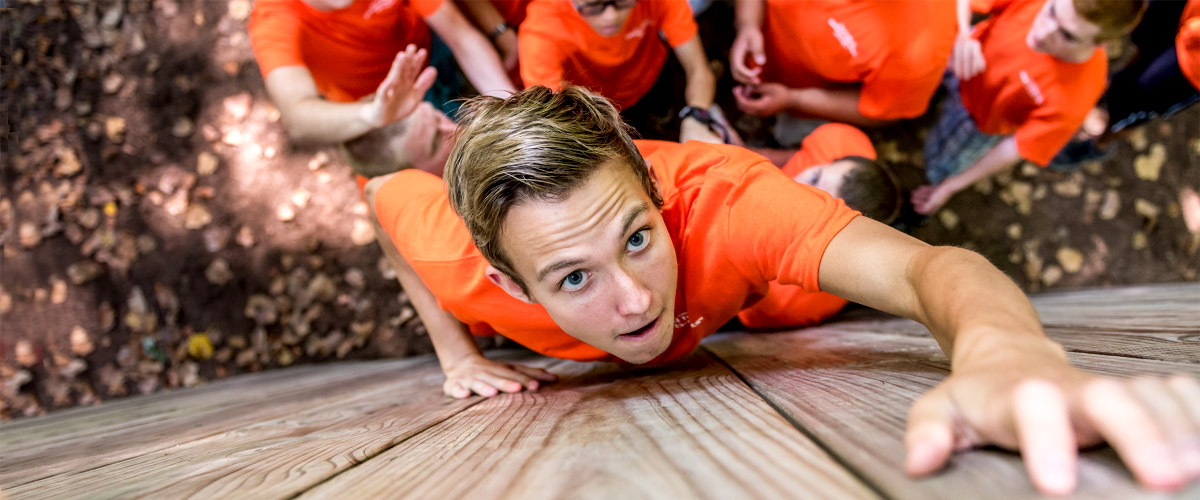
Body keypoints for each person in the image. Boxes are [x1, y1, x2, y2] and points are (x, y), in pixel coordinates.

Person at [367, 85, 1199, 496]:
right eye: (574, 277)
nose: (632, 303)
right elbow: (379, 197)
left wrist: (1008, 355)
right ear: (508, 278)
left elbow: (926, 267)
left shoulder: (732, 205)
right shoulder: (451, 255)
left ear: (659, 198)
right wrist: (454, 352)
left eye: (637, 239)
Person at [912, 0, 1149, 215]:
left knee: (938, 166)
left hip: (978, 123)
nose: (1043, 32)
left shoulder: (1078, 96)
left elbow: (1015, 148)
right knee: (916, 81)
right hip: (960, 56)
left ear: (1101, 43)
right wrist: (963, 35)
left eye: (1067, 36)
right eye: (1052, 12)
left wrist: (949, 187)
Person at [248, 0, 516, 146]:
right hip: (381, 105)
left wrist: (514, 111)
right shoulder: (275, 18)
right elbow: (298, 117)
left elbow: (459, 35)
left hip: (428, 48)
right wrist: (373, 114)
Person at [517, 0, 724, 144]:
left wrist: (696, 117)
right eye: (593, 5)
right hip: (593, 112)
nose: (611, 16)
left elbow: (699, 69)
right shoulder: (541, 29)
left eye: (623, 1)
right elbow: (552, 117)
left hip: (653, 81)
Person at [729, 0, 956, 127]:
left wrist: (793, 100)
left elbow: (879, 108)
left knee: (792, 132)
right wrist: (747, 23)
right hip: (758, 41)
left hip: (808, 99)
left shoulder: (922, 52)